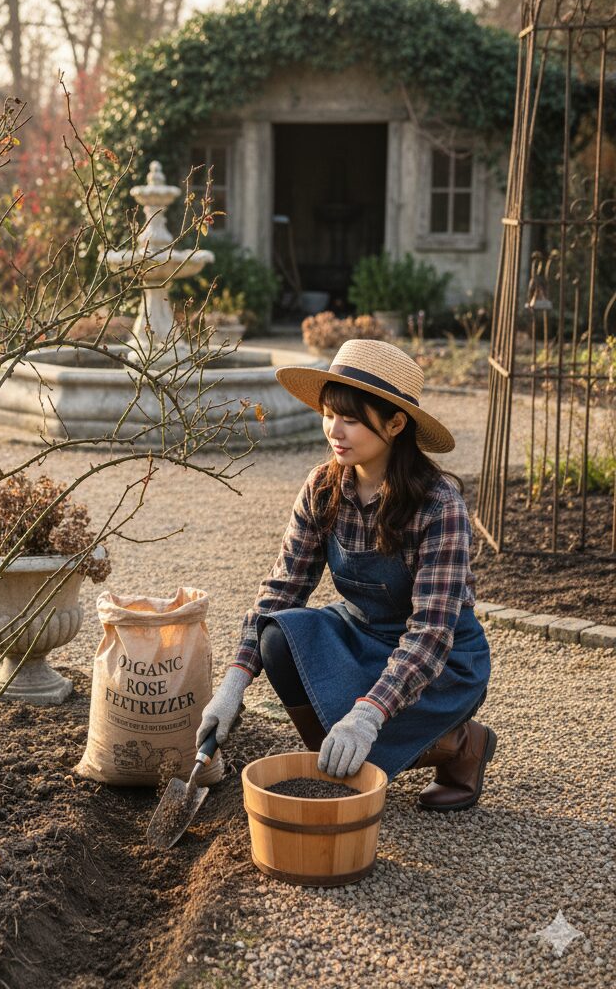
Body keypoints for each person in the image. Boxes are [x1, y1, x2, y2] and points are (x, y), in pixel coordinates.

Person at [197, 339, 495, 811]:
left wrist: (367, 714)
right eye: (329, 414)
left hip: (441, 660)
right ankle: (347, 755)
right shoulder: (323, 486)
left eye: (351, 419)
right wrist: (233, 684)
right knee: (278, 637)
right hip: (362, 633)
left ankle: (463, 745)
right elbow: (282, 590)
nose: (334, 430)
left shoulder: (438, 507)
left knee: (359, 726)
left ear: (395, 423)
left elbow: (432, 633)